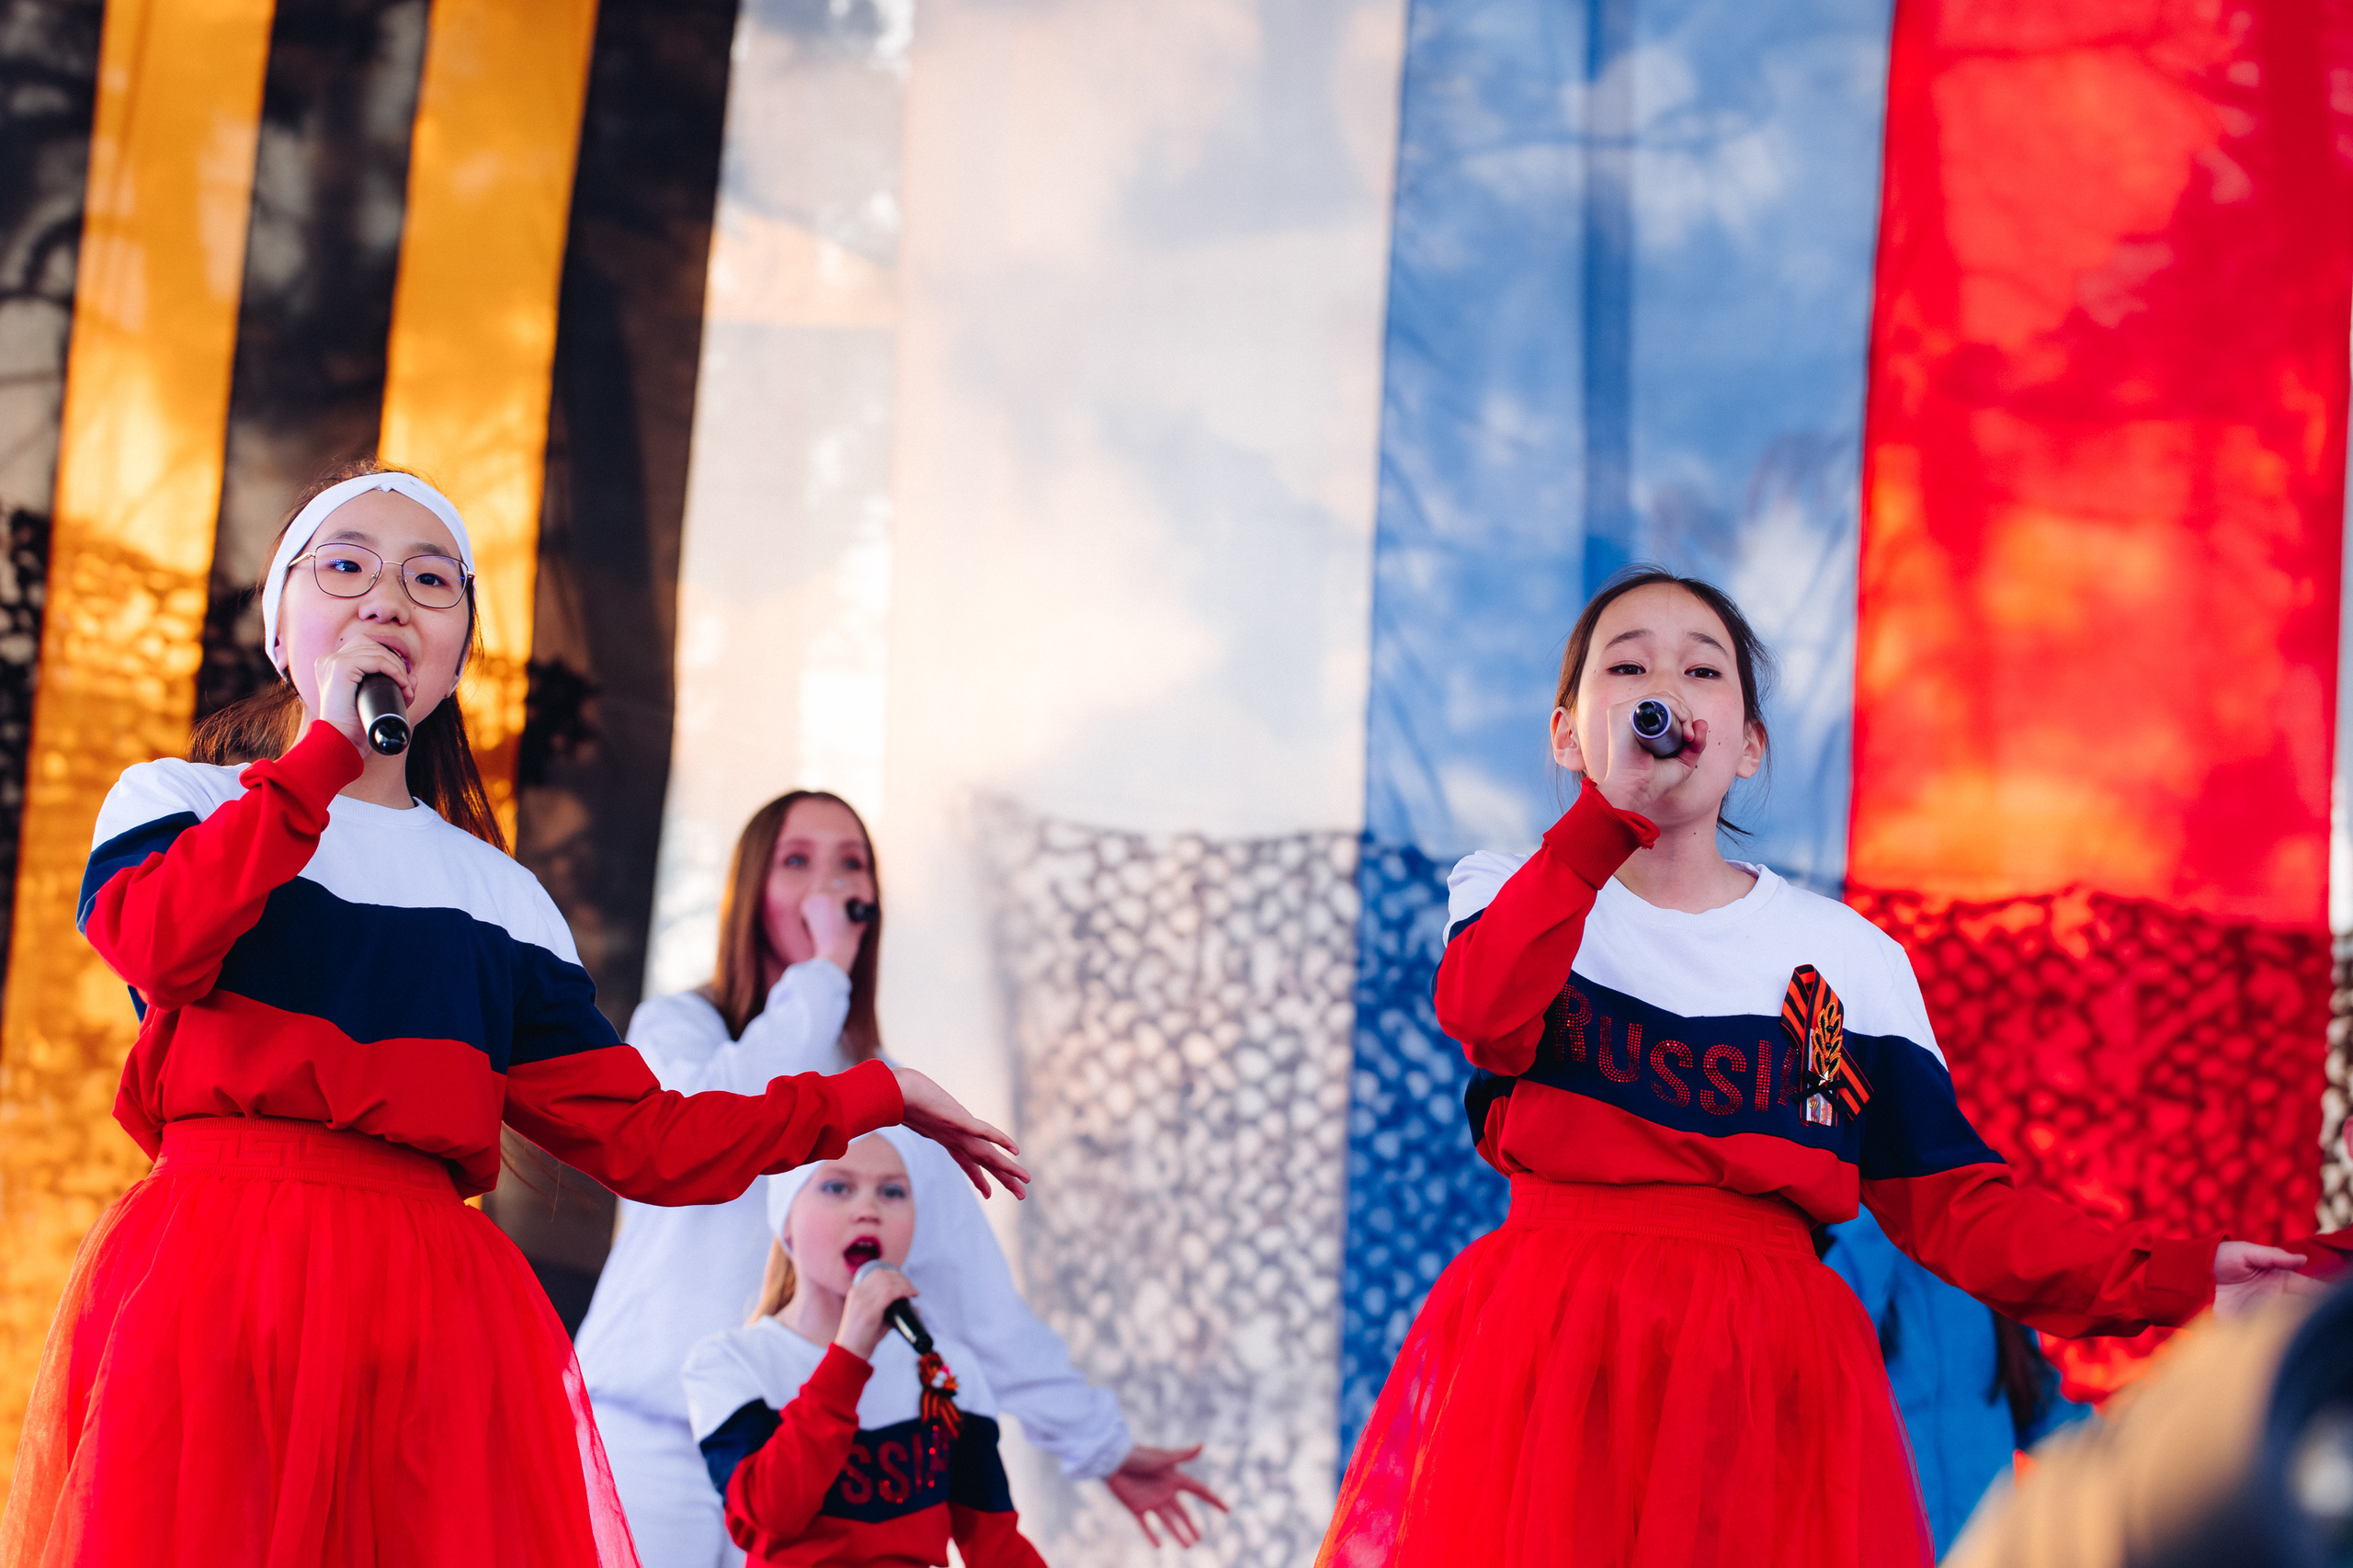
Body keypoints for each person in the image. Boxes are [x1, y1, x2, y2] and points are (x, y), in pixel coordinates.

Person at [0, 464, 1025, 1568]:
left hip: (431, 1309)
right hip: (220, 1275)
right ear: (282, 631)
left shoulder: (498, 896)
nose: (386, 598)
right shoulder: (181, 803)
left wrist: (874, 1092)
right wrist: (316, 766)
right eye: (345, 565)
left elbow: (649, 1139)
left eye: (429, 578)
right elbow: (157, 940)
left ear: (457, 655)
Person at [1317, 567, 2319, 1568]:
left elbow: (1960, 1208)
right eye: (1625, 663)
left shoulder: (1846, 958)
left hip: (1763, 1366)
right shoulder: (1512, 887)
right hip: (1562, 1340)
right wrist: (1602, 819)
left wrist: (2179, 1275)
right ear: (1568, 732)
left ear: (1747, 744)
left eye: (1703, 667)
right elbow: (1485, 1013)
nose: (1663, 678)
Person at [576, 790, 1224, 1566]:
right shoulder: (682, 1032)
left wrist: (1103, 1445)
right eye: (797, 862)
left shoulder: (893, 1101)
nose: (828, 886)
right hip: (648, 1443)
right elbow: (724, 1124)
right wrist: (821, 975)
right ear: (751, 893)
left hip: (803, 1465)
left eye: (851, 866)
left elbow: (981, 1307)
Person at [681, 1129, 1047, 1567]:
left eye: (893, 1192)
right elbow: (771, 1513)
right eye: (838, 1187)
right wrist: (849, 1356)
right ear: (787, 1222)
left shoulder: (948, 1367)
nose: (868, 1211)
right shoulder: (730, 1364)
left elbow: (994, 1544)